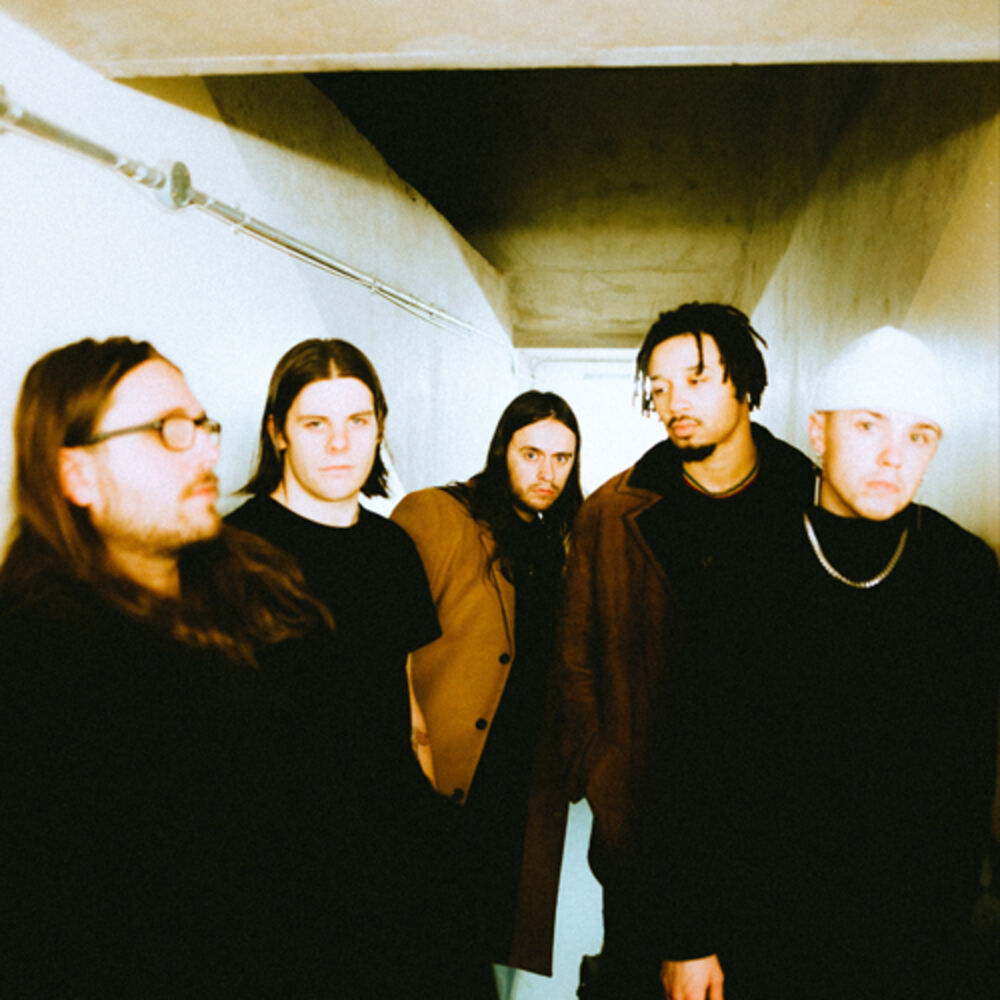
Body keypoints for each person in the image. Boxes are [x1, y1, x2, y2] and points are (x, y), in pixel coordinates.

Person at [0, 337, 375, 996]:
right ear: (76, 475)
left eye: (202, 427)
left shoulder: (266, 589)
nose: (205, 452)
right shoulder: (41, 673)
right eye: (167, 430)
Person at [658, 326, 1000, 1000]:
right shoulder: (744, 563)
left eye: (919, 436)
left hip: (910, 934)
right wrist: (688, 936)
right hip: (764, 927)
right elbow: (696, 762)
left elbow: (965, 771)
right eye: (868, 426)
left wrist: (948, 925)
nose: (893, 456)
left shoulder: (963, 572)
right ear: (819, 432)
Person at [555, 302, 815, 998]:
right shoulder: (612, 515)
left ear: (745, 384)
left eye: (696, 379)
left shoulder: (812, 502)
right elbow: (574, 664)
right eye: (660, 386)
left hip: (780, 845)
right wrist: (606, 778)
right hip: (648, 840)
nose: (674, 403)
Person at [226, 338, 483, 997]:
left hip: (394, 852)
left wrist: (427, 828)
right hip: (280, 873)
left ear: (379, 429)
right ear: (278, 432)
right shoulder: (232, 555)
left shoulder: (391, 548)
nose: (340, 443)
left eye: (358, 421)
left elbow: (405, 703)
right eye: (315, 423)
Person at [390, 390, 583, 981]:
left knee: (493, 946)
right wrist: (411, 740)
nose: (547, 473)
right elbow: (382, 643)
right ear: (502, 451)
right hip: (448, 772)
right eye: (531, 454)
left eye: (562, 458)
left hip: (523, 784)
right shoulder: (438, 514)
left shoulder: (559, 542)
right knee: (421, 941)